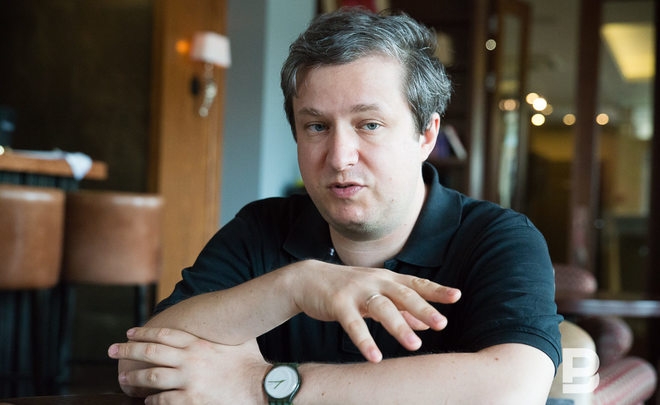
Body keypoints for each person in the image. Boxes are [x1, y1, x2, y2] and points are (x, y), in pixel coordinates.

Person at [108, 7, 562, 404]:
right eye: (317, 127)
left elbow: (513, 389)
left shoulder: (498, 239)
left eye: (369, 124)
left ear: (426, 134)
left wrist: (262, 386)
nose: (340, 157)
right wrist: (294, 287)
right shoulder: (261, 228)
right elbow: (137, 367)